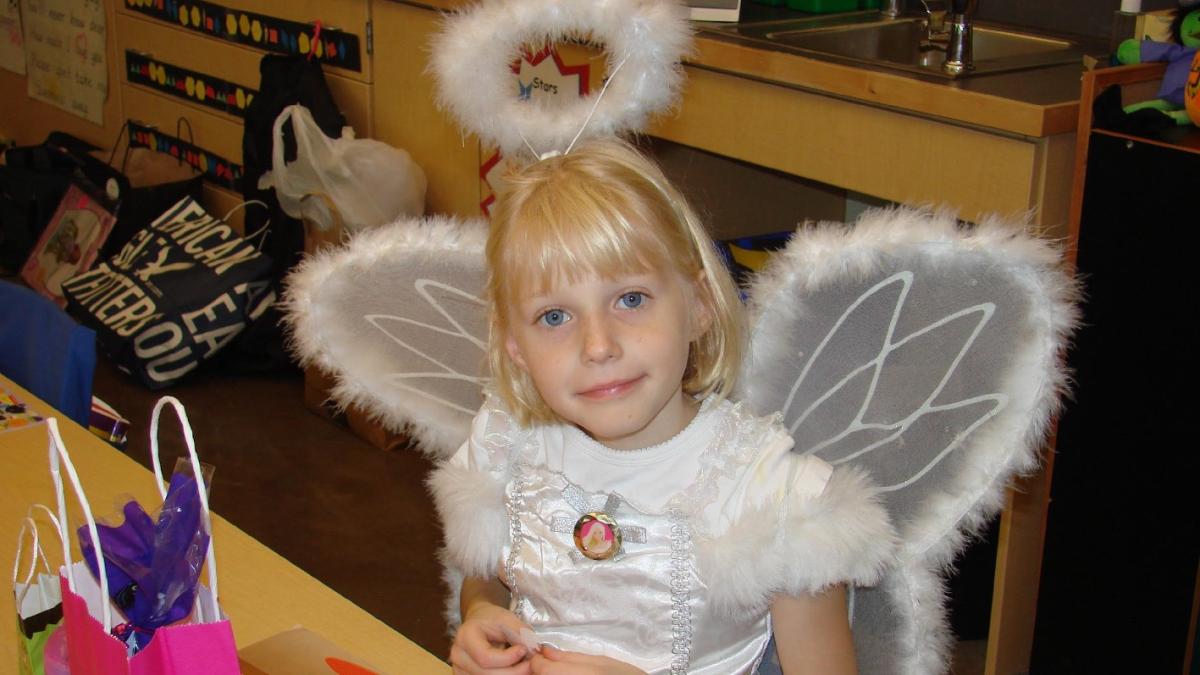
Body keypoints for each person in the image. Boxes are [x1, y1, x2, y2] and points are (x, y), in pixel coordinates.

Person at [430, 139, 894, 674]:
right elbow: (487, 575)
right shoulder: (507, 441)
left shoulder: (772, 497)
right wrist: (483, 612)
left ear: (699, 306)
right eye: (555, 316)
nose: (598, 346)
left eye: (631, 299)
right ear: (514, 343)